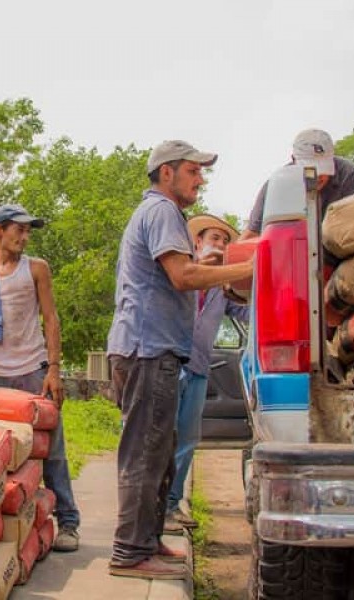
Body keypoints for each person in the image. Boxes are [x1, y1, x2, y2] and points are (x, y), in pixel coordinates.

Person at [106, 140, 253, 580]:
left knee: (162, 450)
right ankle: (130, 552)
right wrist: (246, 270)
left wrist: (211, 263)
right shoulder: (162, 211)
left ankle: (147, 541)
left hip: (156, 348)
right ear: (166, 173)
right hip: (147, 348)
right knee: (146, 452)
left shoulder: (162, 215)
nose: (200, 179)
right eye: (193, 171)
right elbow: (183, 276)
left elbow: (181, 270)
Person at [0, 203, 81, 553]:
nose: (24, 237)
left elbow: (51, 319)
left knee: (52, 450)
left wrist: (54, 369)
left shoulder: (37, 270)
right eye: (18, 230)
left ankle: (69, 522)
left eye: (28, 232)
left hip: (32, 372)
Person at [164, 214, 250, 533]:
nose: (220, 245)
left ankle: (172, 505)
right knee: (163, 436)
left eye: (225, 241)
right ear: (198, 242)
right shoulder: (181, 274)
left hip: (199, 366)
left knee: (187, 439)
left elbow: (246, 310)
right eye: (215, 238)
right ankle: (154, 508)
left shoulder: (221, 286)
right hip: (170, 363)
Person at [239, 128, 354, 241]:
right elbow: (252, 234)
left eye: (323, 169)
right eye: (311, 170)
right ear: (294, 161)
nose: (318, 176)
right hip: (291, 251)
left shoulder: (351, 177)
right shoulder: (275, 185)